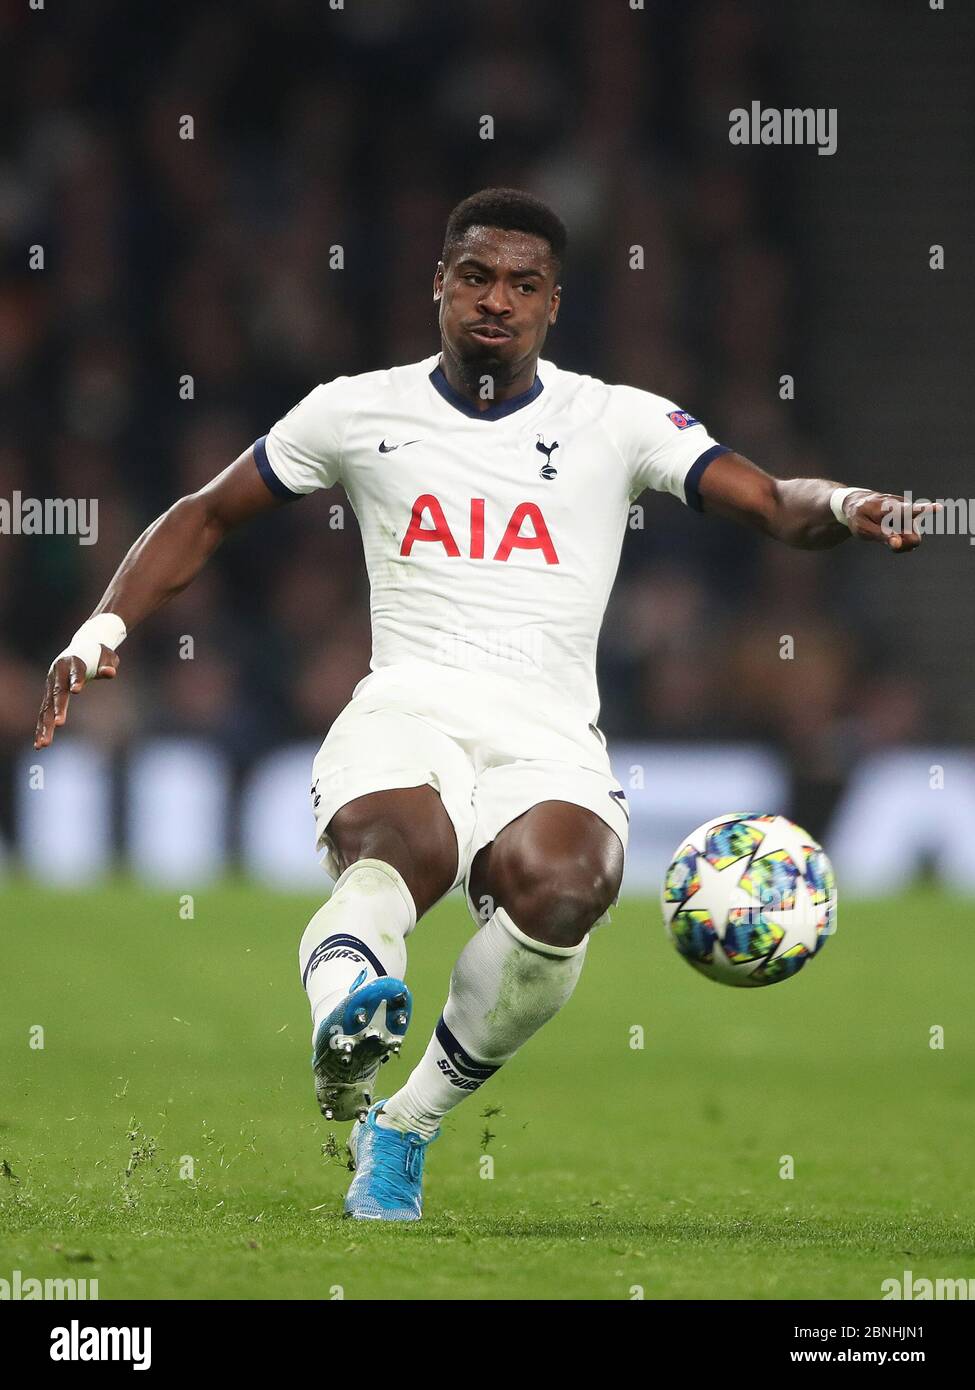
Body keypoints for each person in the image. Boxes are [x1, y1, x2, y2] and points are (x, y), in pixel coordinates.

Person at [33, 187, 933, 1222]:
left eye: (522, 284)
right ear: (439, 286)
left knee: (568, 883)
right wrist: (100, 629)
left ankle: (402, 1123)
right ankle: (347, 1015)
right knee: (399, 842)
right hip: (408, 704)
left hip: (547, 734)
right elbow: (204, 514)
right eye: (475, 277)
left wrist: (852, 505)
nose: (494, 300)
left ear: (555, 303)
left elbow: (777, 502)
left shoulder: (619, 421)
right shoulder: (355, 410)